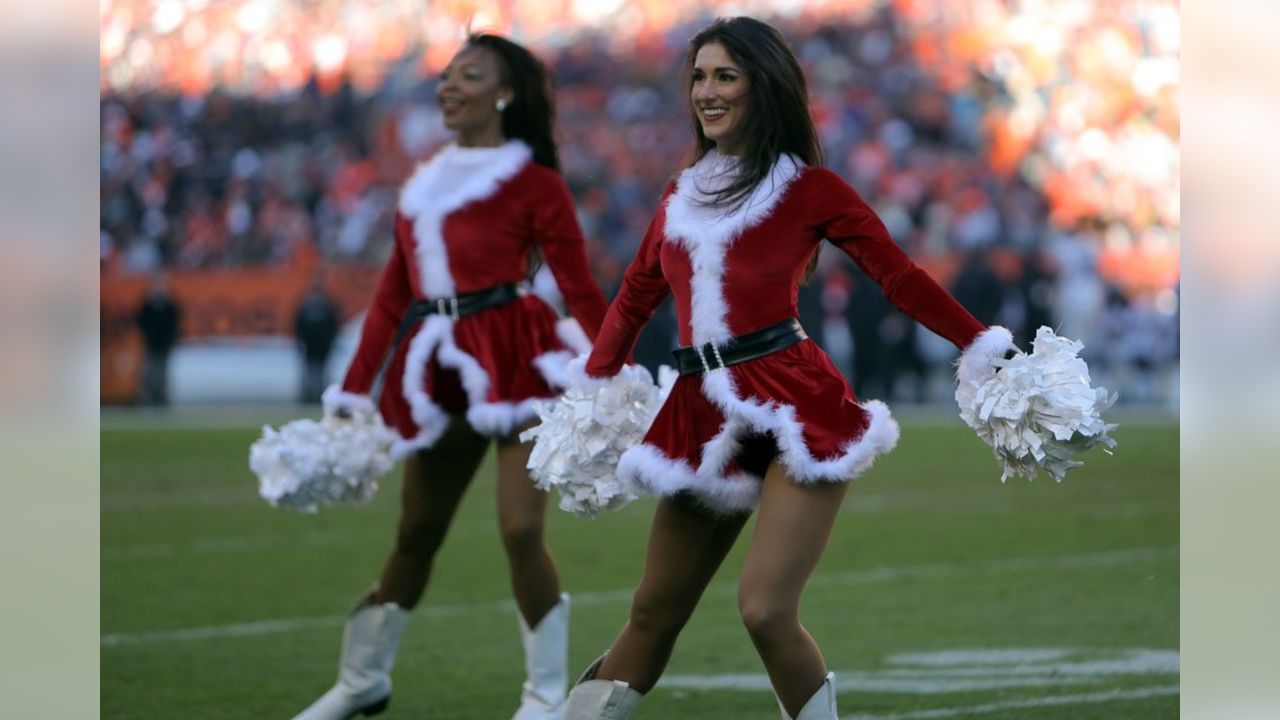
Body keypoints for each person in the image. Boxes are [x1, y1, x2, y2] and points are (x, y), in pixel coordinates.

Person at [559, 18, 1016, 719]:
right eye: (699, 77)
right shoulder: (679, 195)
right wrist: (594, 385)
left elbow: (898, 278)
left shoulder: (810, 188)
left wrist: (984, 346)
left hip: (793, 400)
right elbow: (632, 299)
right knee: (651, 613)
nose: (706, 92)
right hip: (700, 408)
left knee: (765, 610)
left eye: (725, 76)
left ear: (762, 86)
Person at [294, 34, 609, 720]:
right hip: (438, 367)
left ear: (504, 94)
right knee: (416, 532)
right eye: (445, 76)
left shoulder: (534, 182)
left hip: (518, 357)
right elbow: (389, 299)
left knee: (521, 530)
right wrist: (351, 389)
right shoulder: (421, 186)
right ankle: (361, 681)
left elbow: (581, 287)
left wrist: (617, 366)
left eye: (469, 75)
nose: (448, 86)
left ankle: (545, 695)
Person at [134, 273, 181, 406]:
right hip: (151, 344)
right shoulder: (148, 305)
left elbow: (174, 324)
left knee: (162, 374)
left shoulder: (169, 306)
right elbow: (141, 321)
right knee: (149, 374)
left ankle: (162, 401)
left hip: (164, 344)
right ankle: (147, 401)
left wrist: (170, 338)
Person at [294, 274, 341, 404]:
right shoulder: (312, 305)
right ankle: (312, 396)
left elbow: (333, 325)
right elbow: (298, 325)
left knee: (317, 371)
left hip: (317, 344)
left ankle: (316, 396)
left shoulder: (318, 305)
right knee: (313, 371)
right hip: (314, 344)